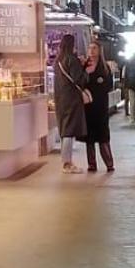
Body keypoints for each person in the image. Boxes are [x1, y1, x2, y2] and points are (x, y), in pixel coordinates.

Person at [53, 33, 88, 173]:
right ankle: (67, 163)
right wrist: (84, 69)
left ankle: (67, 161)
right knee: (69, 130)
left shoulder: (58, 60)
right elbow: (79, 79)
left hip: (60, 98)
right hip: (71, 99)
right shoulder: (71, 60)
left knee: (64, 128)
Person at [82, 40, 116, 173]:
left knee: (102, 136)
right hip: (88, 107)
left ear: (99, 50)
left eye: (94, 48)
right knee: (89, 137)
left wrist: (95, 87)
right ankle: (91, 164)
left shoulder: (105, 67)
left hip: (101, 107)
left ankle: (109, 163)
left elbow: (108, 86)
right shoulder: (84, 66)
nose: (91, 51)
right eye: (90, 48)